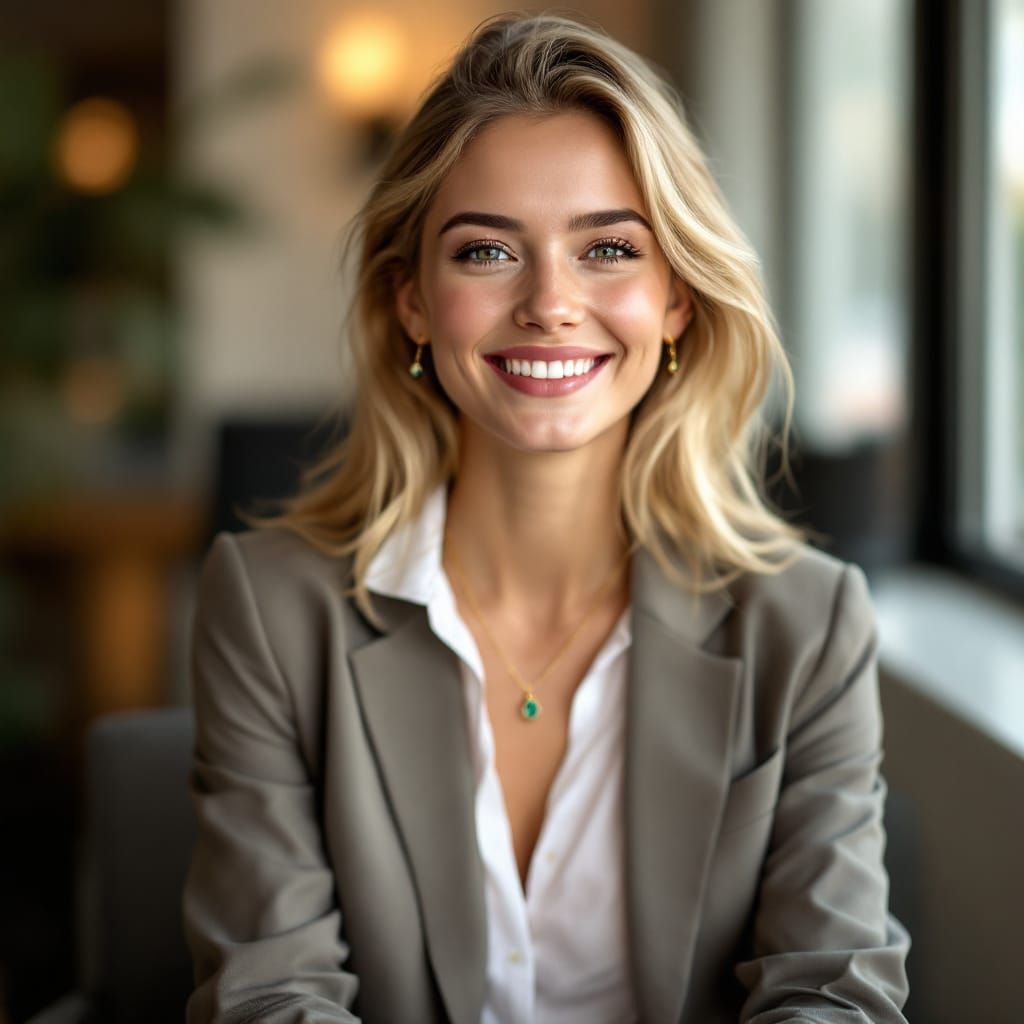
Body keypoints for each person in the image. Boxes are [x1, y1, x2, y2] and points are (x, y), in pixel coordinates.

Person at [183, 12, 910, 1024]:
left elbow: (834, 993)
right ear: (412, 304)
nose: (551, 304)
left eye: (609, 248)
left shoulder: (809, 625)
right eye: (486, 253)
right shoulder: (268, 608)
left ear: (676, 301)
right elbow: (271, 997)